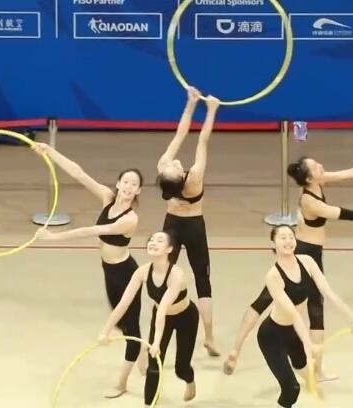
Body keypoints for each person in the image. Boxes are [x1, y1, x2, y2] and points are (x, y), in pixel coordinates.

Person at [224, 153, 353, 380]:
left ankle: (236, 350)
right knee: (315, 310)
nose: (321, 166)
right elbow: (352, 215)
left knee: (264, 299)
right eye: (316, 167)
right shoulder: (312, 202)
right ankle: (316, 371)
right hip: (306, 254)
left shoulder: (317, 181)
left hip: (304, 250)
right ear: (309, 178)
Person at [32, 143, 145, 398]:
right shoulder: (107, 197)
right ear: (118, 184)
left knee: (130, 329)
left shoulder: (130, 219)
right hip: (109, 272)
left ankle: (122, 382)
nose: (128, 187)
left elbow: (91, 231)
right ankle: (143, 356)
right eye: (125, 182)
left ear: (138, 190)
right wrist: (50, 151)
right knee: (124, 324)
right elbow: (79, 174)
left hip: (126, 274)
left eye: (134, 184)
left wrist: (53, 237)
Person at [255, 225, 353, 408]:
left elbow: (328, 293)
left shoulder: (307, 262)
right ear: (272, 244)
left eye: (291, 237)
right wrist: (309, 344)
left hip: (291, 333)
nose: (288, 241)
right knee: (292, 389)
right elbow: (293, 314)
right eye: (282, 237)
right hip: (271, 336)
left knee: (311, 381)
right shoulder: (273, 276)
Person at [155, 86, 221, 357]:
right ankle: (209, 337)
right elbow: (202, 141)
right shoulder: (194, 178)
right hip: (194, 227)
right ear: (179, 177)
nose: (174, 163)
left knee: (164, 276)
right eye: (174, 167)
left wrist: (191, 104)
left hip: (171, 225)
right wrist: (212, 110)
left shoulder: (163, 170)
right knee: (202, 280)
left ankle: (168, 337)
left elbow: (180, 134)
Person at [99, 231, 199, 407]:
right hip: (161, 317)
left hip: (186, 318)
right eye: (151, 240)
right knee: (153, 367)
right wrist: (105, 332)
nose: (153, 242)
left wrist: (156, 342)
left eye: (159, 240)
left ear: (169, 249)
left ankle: (189, 380)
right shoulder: (142, 272)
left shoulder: (177, 275)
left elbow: (163, 309)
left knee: (181, 368)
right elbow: (123, 304)